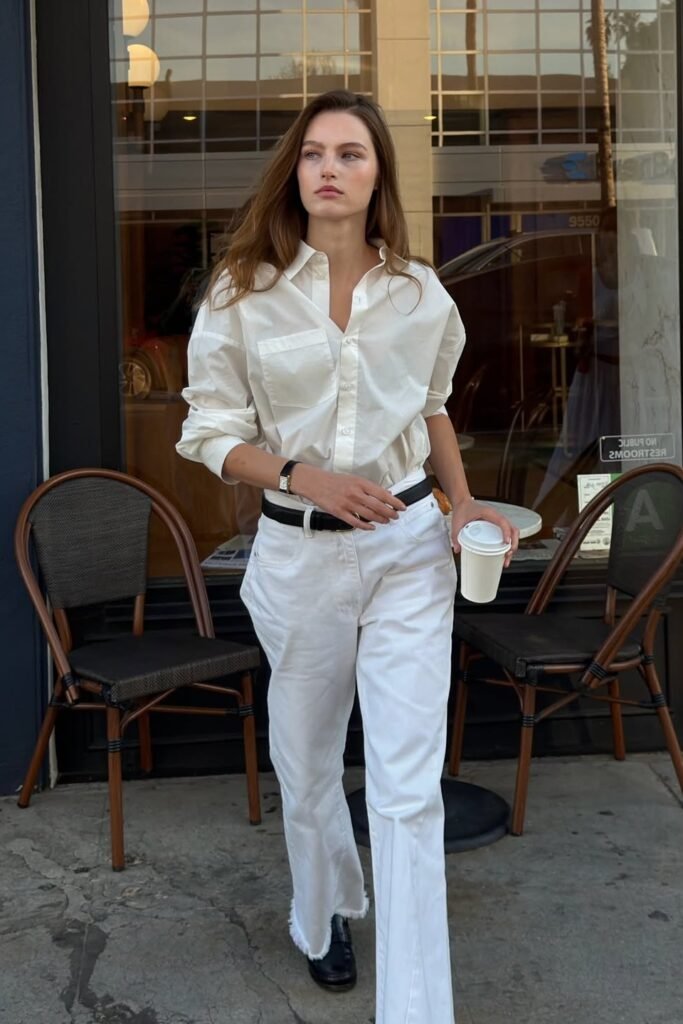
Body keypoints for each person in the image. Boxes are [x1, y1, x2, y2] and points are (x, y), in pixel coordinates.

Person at [176, 89, 518, 1024]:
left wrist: (461, 500)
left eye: (352, 154)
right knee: (308, 761)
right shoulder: (242, 290)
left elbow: (432, 406)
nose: (330, 167)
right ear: (296, 171)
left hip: (409, 549)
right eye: (315, 153)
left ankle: (415, 1008)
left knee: (407, 787)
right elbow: (207, 433)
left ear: (377, 178)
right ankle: (323, 911)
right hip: (298, 558)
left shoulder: (419, 292)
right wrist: (302, 477)